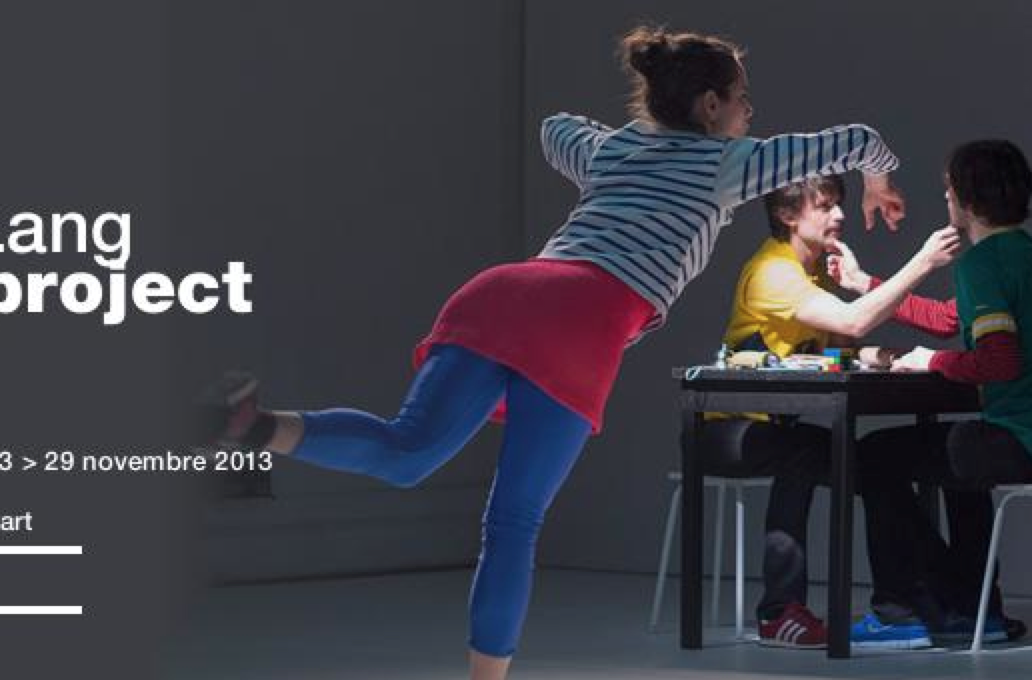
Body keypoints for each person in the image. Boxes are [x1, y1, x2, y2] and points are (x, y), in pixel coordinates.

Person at [199, 26, 910, 680]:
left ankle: (259, 426)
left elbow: (553, 128)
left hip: (503, 293)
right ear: (711, 102)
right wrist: (879, 175)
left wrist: (626, 144)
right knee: (512, 521)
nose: (750, 114)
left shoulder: (614, 148)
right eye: (743, 101)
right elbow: (855, 137)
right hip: (583, 320)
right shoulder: (728, 162)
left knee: (405, 450)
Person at [854, 140, 1032, 648]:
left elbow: (998, 362)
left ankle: (910, 607)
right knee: (963, 453)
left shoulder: (982, 263)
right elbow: (952, 319)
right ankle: (978, 609)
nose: (946, 198)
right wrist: (866, 283)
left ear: (965, 200)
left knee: (872, 456)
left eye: (948, 189)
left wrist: (931, 361)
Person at [701, 173, 960, 649]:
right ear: (787, 215)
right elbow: (851, 320)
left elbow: (841, 346)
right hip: (728, 428)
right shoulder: (774, 271)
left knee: (877, 464)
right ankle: (778, 612)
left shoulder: (815, 270)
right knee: (808, 453)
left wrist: (875, 354)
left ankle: (918, 603)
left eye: (839, 204)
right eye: (825, 206)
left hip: (779, 427)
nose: (839, 214)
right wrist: (921, 263)